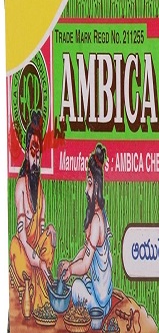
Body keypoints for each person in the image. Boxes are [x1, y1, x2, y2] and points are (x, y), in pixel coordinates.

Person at [59, 144, 113, 316]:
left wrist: (71, 270)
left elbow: (85, 265)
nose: (85, 190)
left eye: (89, 183)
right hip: (102, 293)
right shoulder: (98, 214)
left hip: (100, 302)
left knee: (76, 286)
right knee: (81, 278)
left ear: (97, 185)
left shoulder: (97, 220)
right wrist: (70, 264)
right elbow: (86, 250)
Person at [9, 111, 56, 311]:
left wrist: (49, 233)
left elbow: (41, 231)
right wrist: (39, 262)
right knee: (16, 249)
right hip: (24, 253)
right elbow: (23, 238)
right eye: (32, 152)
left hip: (37, 253)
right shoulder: (21, 186)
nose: (36, 158)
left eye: (39, 154)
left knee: (51, 236)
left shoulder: (41, 192)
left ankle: (40, 277)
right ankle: (36, 280)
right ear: (27, 152)